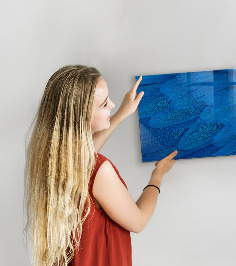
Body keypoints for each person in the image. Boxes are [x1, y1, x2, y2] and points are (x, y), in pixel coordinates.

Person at [24, 65, 177, 266]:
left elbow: (86, 157)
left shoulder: (53, 160)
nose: (112, 104)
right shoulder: (99, 170)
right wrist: (157, 175)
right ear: (81, 117)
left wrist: (122, 113)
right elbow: (139, 221)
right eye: (105, 104)